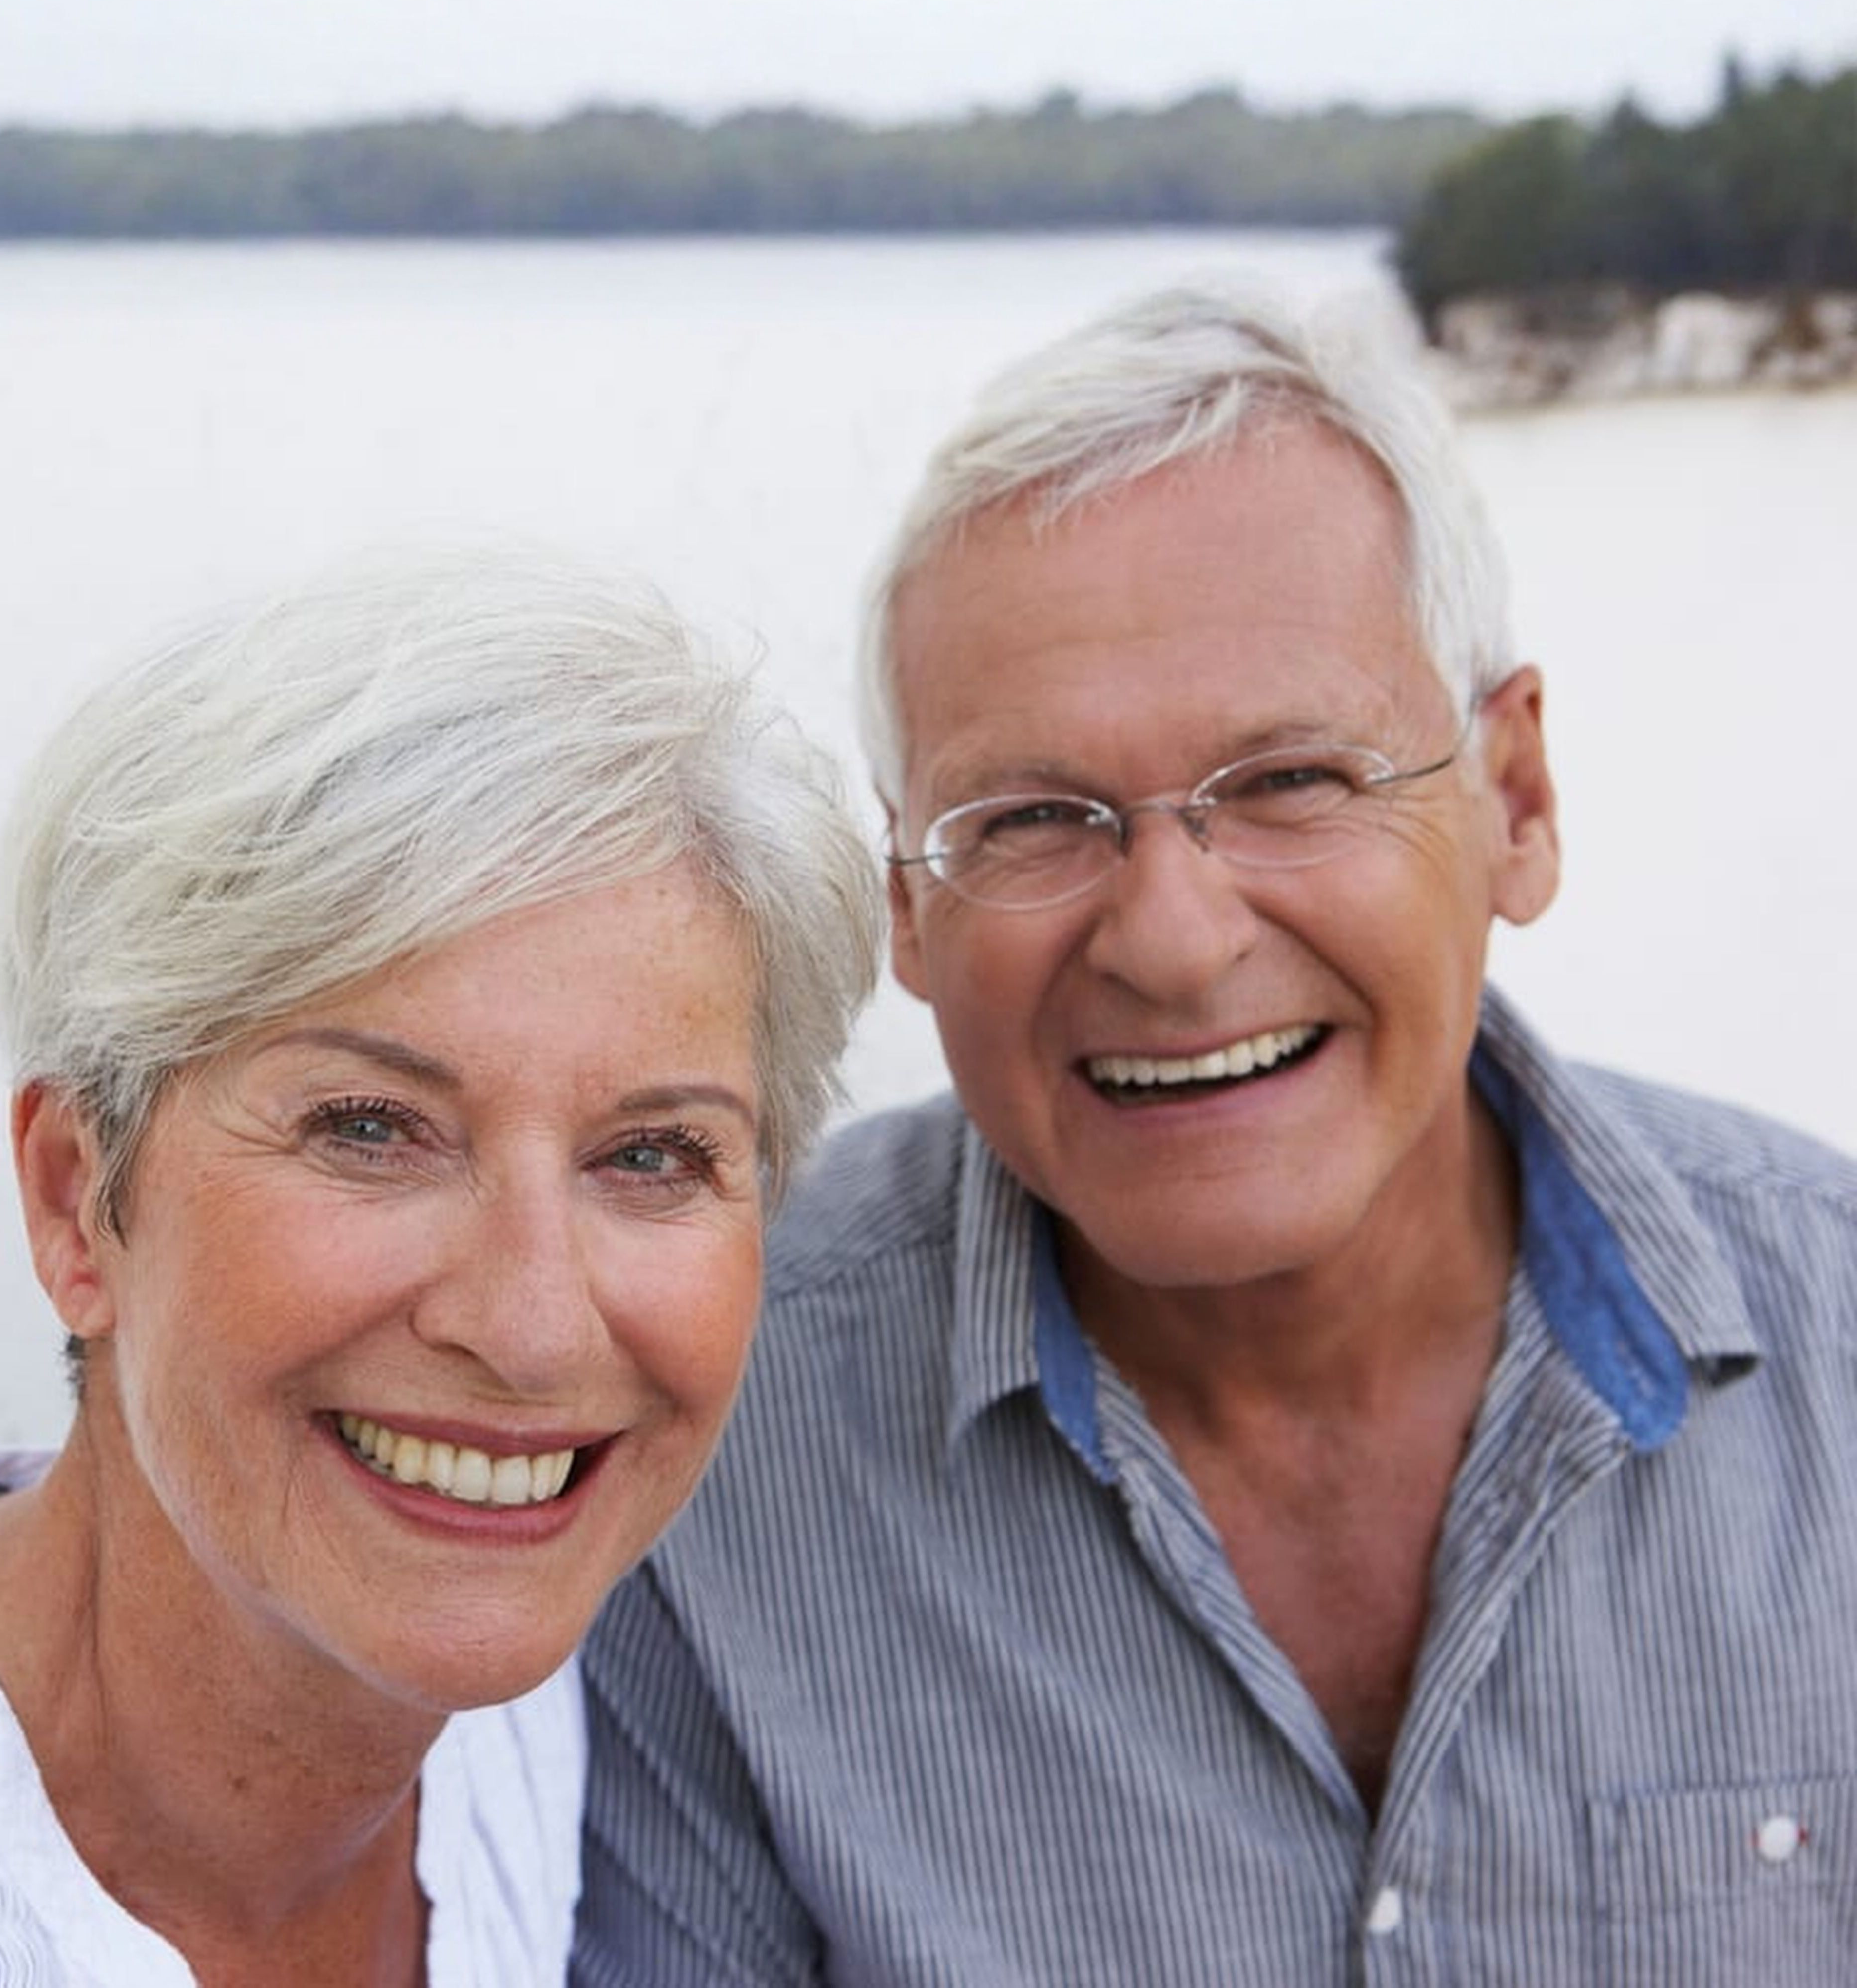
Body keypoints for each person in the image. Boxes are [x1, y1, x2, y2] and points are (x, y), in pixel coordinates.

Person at [574, 286, 1857, 1985]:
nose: (1170, 940)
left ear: (1516, 805)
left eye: (1290, 782)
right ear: (903, 901)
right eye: (1031, 818)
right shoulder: (701, 1445)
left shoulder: (1835, 1348)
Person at [0, 546, 881, 1986]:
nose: (534, 1329)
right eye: (371, 1129)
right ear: (73, 1197)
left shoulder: (600, 1695)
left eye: (653, 1155)